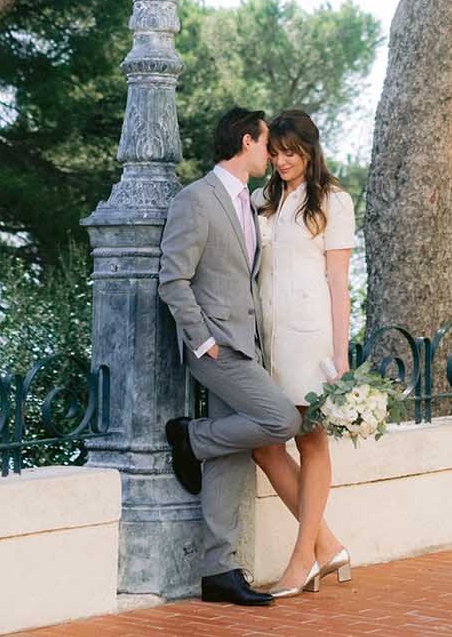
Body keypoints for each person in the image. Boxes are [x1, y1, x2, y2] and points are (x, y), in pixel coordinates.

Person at [157, 106, 303, 607]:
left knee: (232, 456)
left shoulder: (249, 202)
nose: (271, 154)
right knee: (280, 418)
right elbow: (172, 280)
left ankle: (218, 571)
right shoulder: (195, 201)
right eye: (266, 145)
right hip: (216, 347)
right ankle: (190, 436)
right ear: (247, 142)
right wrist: (204, 340)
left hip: (247, 344)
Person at [251, 108, 356, 598]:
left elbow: (340, 284)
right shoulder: (260, 201)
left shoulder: (334, 202)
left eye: (289, 152)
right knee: (264, 444)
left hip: (309, 342)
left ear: (309, 150)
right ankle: (328, 546)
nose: (281, 161)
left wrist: (341, 356)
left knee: (310, 442)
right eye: (274, 152)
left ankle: (302, 559)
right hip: (265, 345)